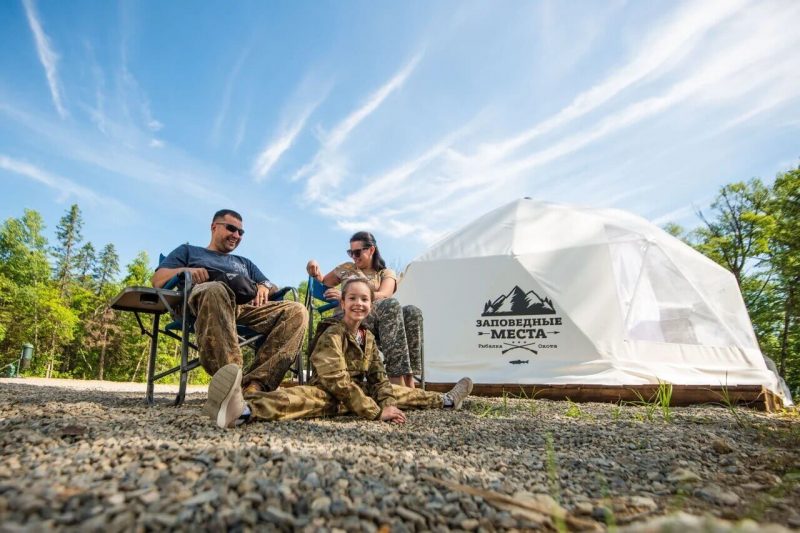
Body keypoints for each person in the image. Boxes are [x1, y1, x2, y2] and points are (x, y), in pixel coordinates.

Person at [204, 277, 473, 428]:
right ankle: (242, 410)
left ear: (371, 306)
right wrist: (375, 411)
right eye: (352, 298)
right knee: (297, 399)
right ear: (342, 303)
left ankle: (447, 400)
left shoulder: (367, 337)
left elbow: (378, 377)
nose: (358, 304)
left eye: (364, 299)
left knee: (400, 393)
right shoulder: (332, 333)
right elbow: (337, 382)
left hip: (355, 391)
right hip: (328, 390)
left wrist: (388, 403)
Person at [152, 209, 307, 394]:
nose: (236, 235)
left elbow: (270, 284)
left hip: (244, 307)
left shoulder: (244, 263)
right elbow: (157, 280)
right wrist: (186, 271)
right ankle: (232, 383)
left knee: (297, 310)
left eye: (241, 232)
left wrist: (265, 286)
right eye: (231, 228)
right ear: (214, 227)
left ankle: (255, 385)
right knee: (215, 289)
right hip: (202, 302)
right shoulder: (189, 251)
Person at [306, 231, 422, 388]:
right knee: (391, 305)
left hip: (376, 321)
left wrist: (350, 295)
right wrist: (313, 268)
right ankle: (396, 380)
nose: (353, 257)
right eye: (350, 252)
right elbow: (322, 282)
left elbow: (384, 294)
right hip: (347, 317)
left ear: (371, 250)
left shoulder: (385, 273)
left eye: (357, 252)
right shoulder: (346, 268)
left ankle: (409, 377)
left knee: (412, 312)